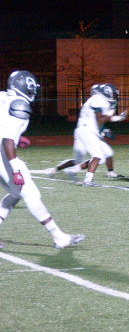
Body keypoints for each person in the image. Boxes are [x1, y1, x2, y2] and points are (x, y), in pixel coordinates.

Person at [0, 70, 84, 249]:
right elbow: (7, 139)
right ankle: (59, 236)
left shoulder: (3, 97)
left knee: (16, 194)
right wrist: (16, 169)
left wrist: (16, 138)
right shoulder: (20, 104)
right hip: (3, 156)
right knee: (31, 195)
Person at [49, 83, 127, 186]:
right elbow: (100, 119)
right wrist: (115, 116)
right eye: (113, 94)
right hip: (88, 131)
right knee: (99, 156)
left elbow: (96, 119)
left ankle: (55, 170)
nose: (115, 96)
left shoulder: (93, 100)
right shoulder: (99, 100)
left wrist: (111, 121)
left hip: (82, 130)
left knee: (79, 160)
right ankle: (88, 180)